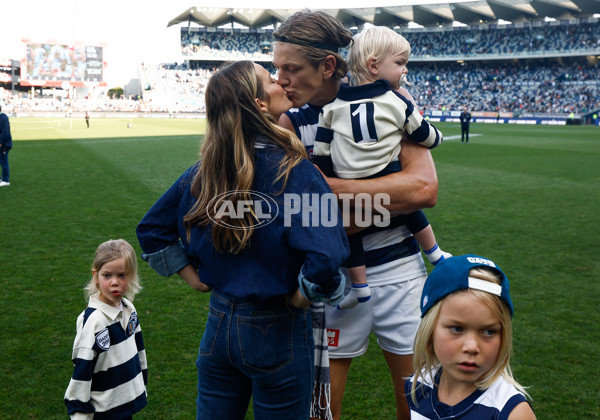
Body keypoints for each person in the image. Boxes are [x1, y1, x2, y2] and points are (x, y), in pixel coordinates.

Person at [136, 61, 350, 420]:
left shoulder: (204, 171)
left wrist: (195, 280)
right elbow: (327, 257)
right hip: (278, 327)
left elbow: (151, 230)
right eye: (270, 78)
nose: (280, 81)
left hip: (217, 326)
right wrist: (299, 301)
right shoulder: (297, 171)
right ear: (260, 103)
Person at [273, 10, 439, 420]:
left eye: (290, 68)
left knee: (419, 405)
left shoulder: (390, 99)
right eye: (277, 69)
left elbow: (423, 189)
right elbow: (301, 218)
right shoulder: (287, 123)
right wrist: (389, 201)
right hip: (333, 280)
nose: (280, 79)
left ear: (328, 66)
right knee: (321, 410)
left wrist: (333, 192)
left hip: (400, 270)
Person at [312, 25, 450, 310]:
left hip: (347, 179)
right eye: (400, 63)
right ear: (374, 65)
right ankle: (435, 253)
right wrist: (438, 137)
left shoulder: (333, 106)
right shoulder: (397, 100)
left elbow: (322, 147)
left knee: (353, 231)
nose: (405, 71)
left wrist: (328, 174)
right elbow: (423, 133)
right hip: (386, 174)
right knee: (410, 209)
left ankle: (359, 287)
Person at [406, 254, 537, 420]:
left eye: (489, 332)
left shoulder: (511, 412)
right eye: (457, 328)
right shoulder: (416, 386)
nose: (472, 347)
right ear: (430, 329)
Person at [64, 239, 148, 419]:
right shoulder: (94, 322)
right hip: (103, 413)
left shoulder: (129, 309)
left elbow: (139, 351)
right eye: (107, 275)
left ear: (132, 275)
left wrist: (140, 386)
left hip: (125, 406)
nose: (115, 282)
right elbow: (81, 372)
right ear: (96, 275)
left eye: (122, 275)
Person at [0, 105, 12, 187]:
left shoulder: (3, 118)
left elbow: (5, 132)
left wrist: (0, 142)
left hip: (4, 144)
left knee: (4, 162)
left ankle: (6, 180)